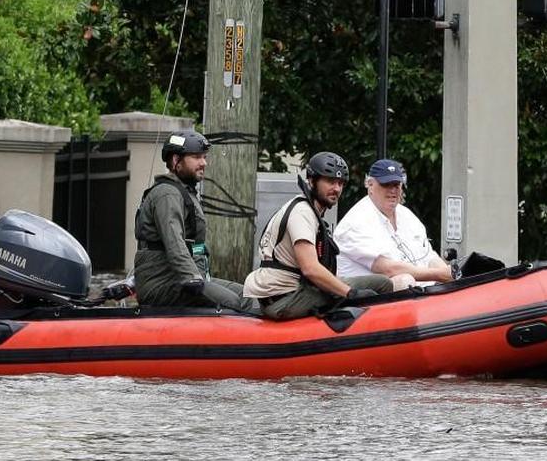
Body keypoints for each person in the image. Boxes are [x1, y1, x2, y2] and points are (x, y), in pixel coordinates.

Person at [243, 152, 394, 319]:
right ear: (312, 180)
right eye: (330, 181)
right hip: (285, 299)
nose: (336, 188)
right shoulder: (302, 212)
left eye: (340, 183)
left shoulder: (311, 212)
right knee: (373, 290)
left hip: (296, 291)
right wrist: (350, 293)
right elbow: (311, 269)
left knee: (382, 282)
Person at [133, 130, 255, 312]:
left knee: (247, 296)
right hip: (161, 284)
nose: (204, 163)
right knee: (232, 302)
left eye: (204, 157)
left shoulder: (184, 192)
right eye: (197, 157)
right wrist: (193, 278)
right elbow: (174, 243)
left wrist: (198, 278)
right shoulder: (167, 194)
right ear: (176, 161)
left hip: (181, 279)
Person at [335, 158, 453, 289]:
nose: (392, 190)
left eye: (396, 185)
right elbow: (389, 269)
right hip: (369, 300)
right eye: (386, 184)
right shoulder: (356, 222)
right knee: (404, 281)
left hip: (424, 294)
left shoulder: (407, 215)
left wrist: (451, 275)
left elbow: (429, 257)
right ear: (370, 185)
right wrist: (440, 275)